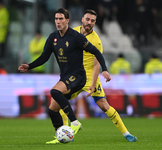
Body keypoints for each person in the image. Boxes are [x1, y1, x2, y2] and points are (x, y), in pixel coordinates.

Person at [18, 8, 111, 143]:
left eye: (61, 18)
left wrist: (104, 69)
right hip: (66, 77)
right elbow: (44, 57)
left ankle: (74, 123)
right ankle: (60, 136)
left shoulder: (76, 37)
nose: (58, 21)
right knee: (52, 110)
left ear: (67, 20)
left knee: (55, 91)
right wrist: (29, 66)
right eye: (56, 19)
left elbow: (96, 52)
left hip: (78, 76)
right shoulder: (52, 37)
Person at [46, 9, 137, 144]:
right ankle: (63, 135)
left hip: (89, 77)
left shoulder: (97, 41)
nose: (89, 23)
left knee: (104, 106)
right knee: (59, 102)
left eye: (92, 21)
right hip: (74, 75)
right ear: (82, 19)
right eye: (87, 19)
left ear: (95, 23)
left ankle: (126, 133)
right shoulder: (72, 32)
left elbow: (96, 65)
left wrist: (93, 84)